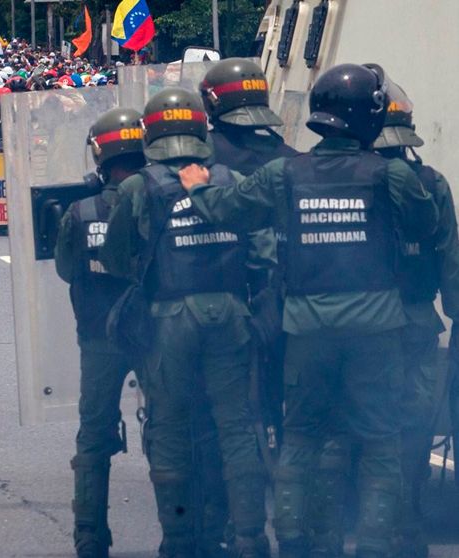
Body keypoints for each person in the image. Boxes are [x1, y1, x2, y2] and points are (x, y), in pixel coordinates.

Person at [177, 63, 440, 558]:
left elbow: (227, 209)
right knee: (380, 443)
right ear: (370, 116)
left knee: (301, 439)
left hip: (307, 330)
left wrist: (198, 185)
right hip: (376, 331)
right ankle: (374, 546)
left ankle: (295, 543)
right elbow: (425, 227)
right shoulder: (391, 176)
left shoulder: (285, 174)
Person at [102, 89, 271, 558]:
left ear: (150, 133)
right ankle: (250, 537)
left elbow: (116, 260)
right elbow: (261, 253)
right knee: (237, 427)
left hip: (170, 318)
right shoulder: (229, 179)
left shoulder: (140, 186)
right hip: (232, 314)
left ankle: (178, 540)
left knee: (171, 427)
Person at [371, 81, 459, 558]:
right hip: (417, 321)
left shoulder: (342, 178)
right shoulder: (431, 183)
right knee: (413, 423)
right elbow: (449, 259)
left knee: (360, 424)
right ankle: (405, 523)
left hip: (356, 323)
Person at [53, 108, 145, 558]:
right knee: (173, 430)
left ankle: (89, 537)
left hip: (98, 335)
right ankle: (185, 536)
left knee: (93, 436)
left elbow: (67, 271)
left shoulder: (80, 211)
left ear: (100, 155)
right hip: (154, 332)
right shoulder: (161, 200)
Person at [199, 58, 298, 464]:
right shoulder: (293, 157)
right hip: (292, 296)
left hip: (222, 296)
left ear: (211, 103)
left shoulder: (198, 158)